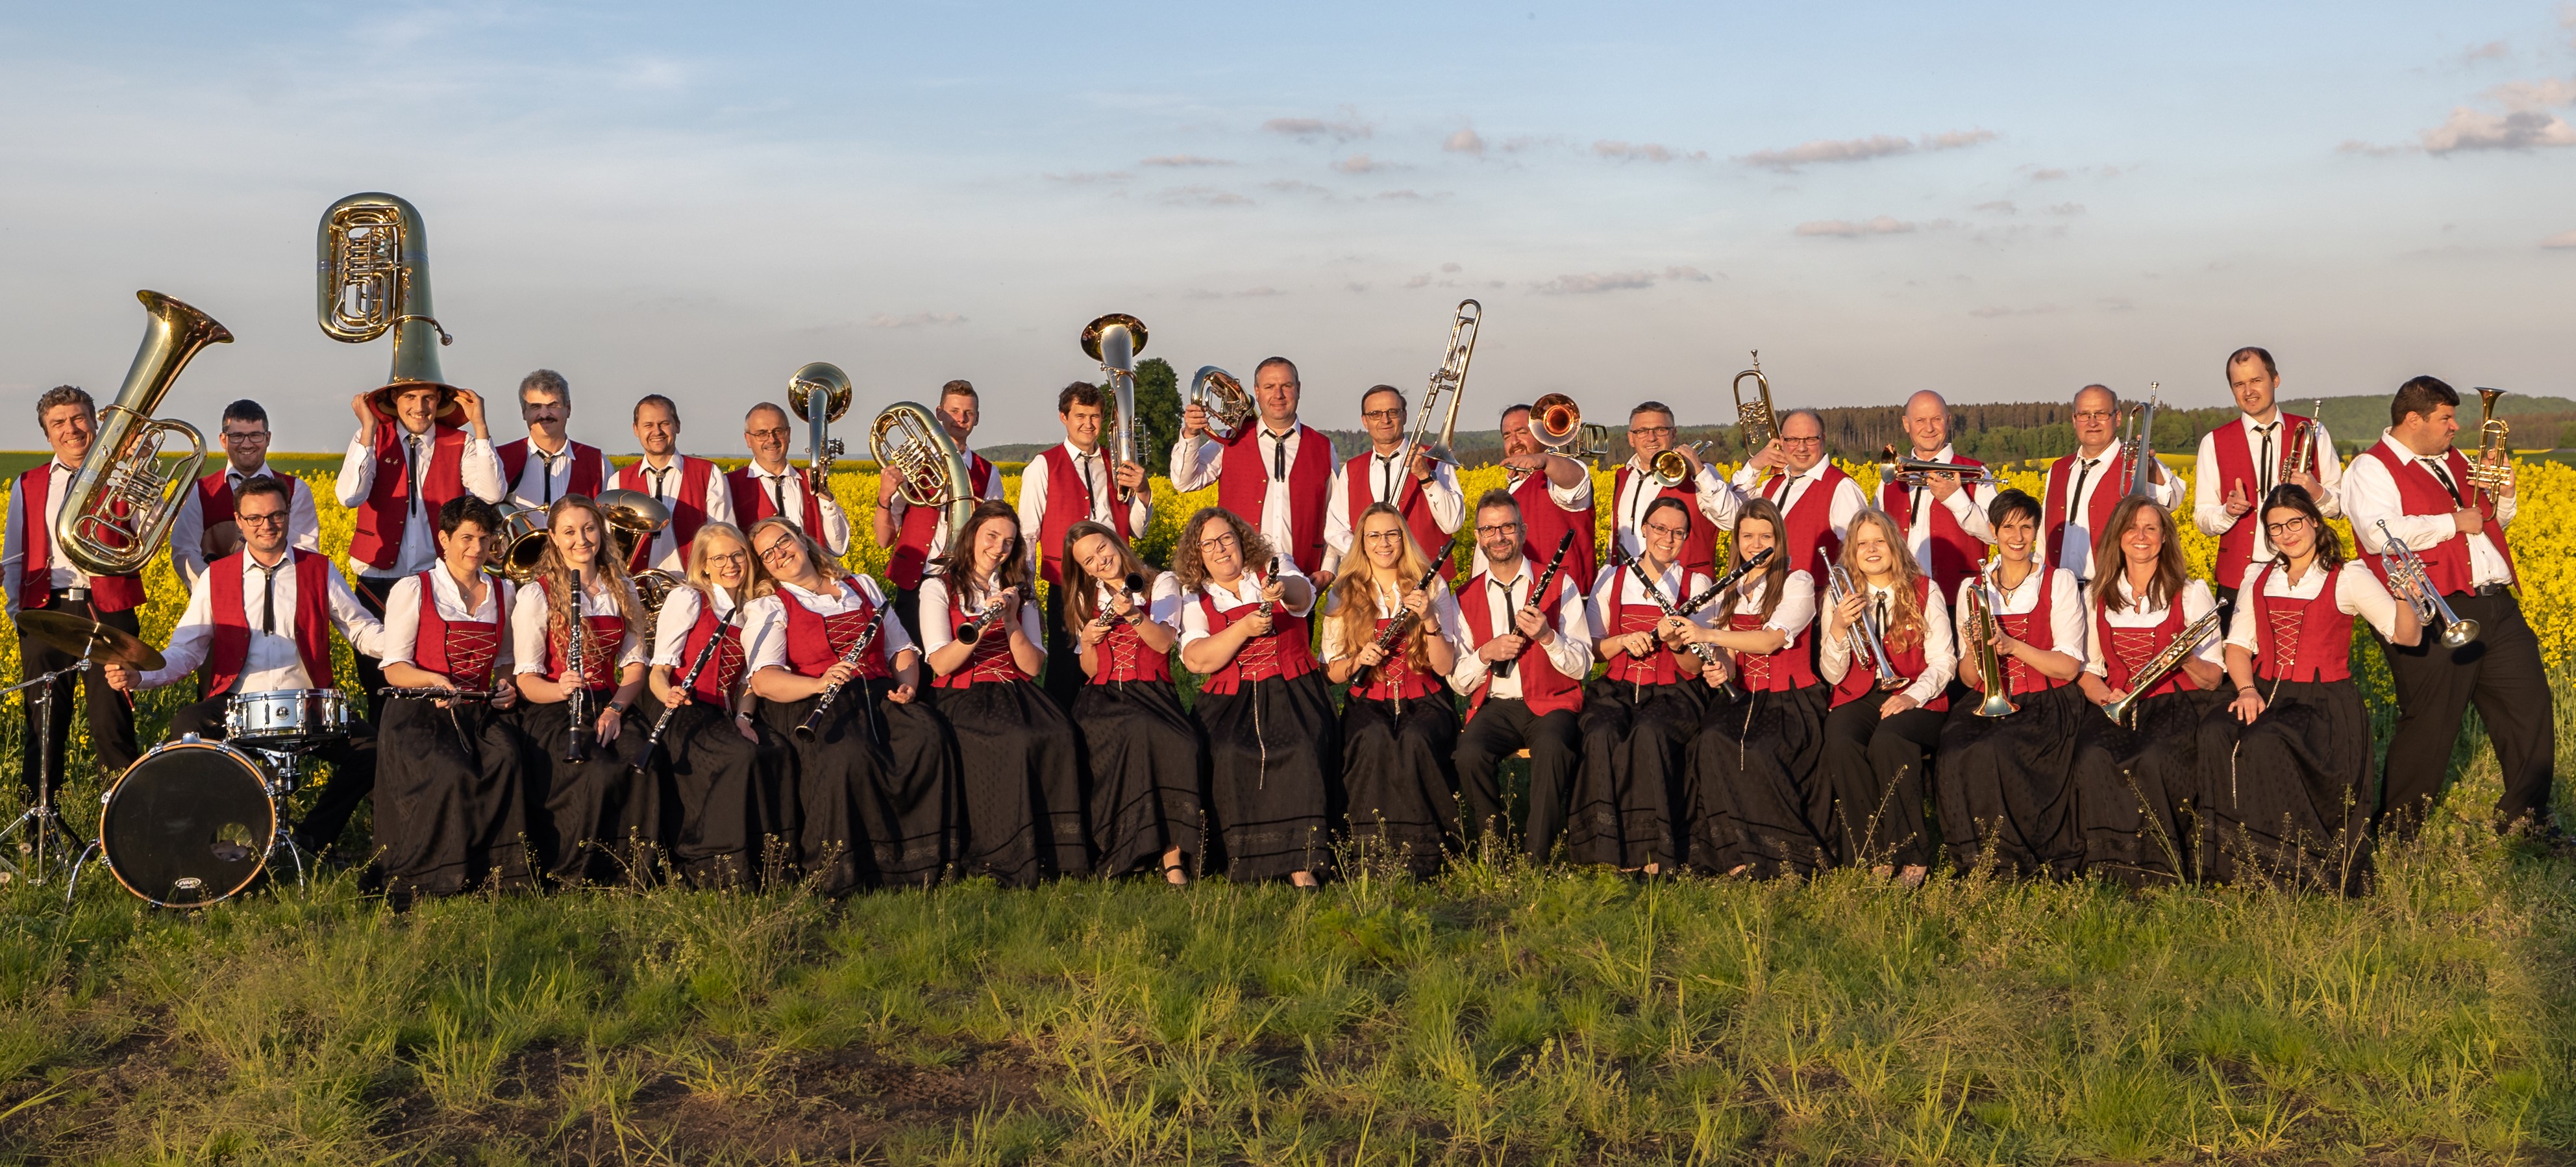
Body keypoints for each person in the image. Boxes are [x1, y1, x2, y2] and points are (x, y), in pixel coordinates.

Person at [100, 476, 387, 859]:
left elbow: (360, 628)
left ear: (287, 516)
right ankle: (205, 842)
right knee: (187, 726)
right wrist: (141, 676)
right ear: (238, 520)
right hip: (238, 704)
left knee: (375, 750)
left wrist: (407, 650)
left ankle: (309, 839)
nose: (266, 525)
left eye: (275, 515)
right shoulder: (215, 578)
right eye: (254, 518)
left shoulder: (319, 570)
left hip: (309, 705)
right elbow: (186, 651)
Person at [2346, 375, 2555, 838]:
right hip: (2435, 608)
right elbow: (2382, 534)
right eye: (2446, 417)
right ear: (2413, 419)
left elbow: (2489, 524)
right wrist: (2451, 521)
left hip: (2495, 602)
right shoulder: (2370, 468)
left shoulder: (2455, 459)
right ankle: (2399, 835)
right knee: (2430, 725)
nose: (2456, 426)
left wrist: (2504, 494)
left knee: (2529, 710)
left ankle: (2527, 820)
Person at [2202, 485, 2420, 892]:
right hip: (2263, 690)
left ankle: (2298, 870)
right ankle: (2235, 863)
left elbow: (2405, 637)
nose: (2287, 534)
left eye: (2294, 522)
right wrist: (2246, 689)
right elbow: (2236, 647)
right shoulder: (2259, 575)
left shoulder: (2348, 577)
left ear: (2315, 522)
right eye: (2275, 528)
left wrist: (2406, 596)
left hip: (2323, 704)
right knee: (2215, 730)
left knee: (2267, 740)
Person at [744, 516, 957, 892]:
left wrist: (908, 686)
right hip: (814, 698)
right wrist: (819, 682)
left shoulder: (861, 585)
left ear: (802, 540)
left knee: (928, 737)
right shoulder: (771, 606)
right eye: (768, 554)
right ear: (763, 566)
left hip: (878, 692)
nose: (780, 555)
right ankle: (845, 871)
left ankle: (918, 861)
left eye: (784, 542)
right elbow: (763, 680)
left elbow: (900, 648)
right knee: (849, 755)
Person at [371, 495, 533, 900]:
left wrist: (506, 686)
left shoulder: (504, 591)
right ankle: (436, 878)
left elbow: (506, 662)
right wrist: (435, 681)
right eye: (466, 537)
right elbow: (395, 668)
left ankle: (495, 878)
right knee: (450, 770)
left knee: (507, 758)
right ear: (443, 539)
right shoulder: (414, 588)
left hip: (479, 711)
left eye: (485, 538)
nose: (476, 548)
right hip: (420, 711)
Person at [919, 501, 1089, 885]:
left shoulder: (1020, 591)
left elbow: (1031, 667)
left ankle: (1054, 852)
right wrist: (982, 624)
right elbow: (942, 663)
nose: (998, 548)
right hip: (963, 691)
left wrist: (1011, 618)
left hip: (1014, 689)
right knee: (1013, 741)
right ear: (972, 536)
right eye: (991, 537)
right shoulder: (938, 587)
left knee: (1059, 734)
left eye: (1008, 542)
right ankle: (1001, 854)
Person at [1175, 507, 1334, 886]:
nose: (1220, 549)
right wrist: (1243, 628)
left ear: (1242, 540)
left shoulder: (1273, 567)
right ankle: (1242, 857)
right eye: (1208, 544)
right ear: (1198, 554)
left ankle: (1302, 863)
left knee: (1300, 747)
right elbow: (1197, 659)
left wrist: (1281, 592)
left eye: (1227, 538)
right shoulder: (1195, 597)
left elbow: (1303, 598)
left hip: (1293, 685)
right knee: (1228, 751)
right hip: (1232, 696)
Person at [1936, 490, 2088, 879]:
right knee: (1954, 749)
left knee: (1996, 748)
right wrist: (1973, 648)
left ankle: (2012, 859)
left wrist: (2013, 645)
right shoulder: (1972, 589)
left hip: (2046, 698)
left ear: (2036, 531)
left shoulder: (2059, 582)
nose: (2018, 537)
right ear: (1993, 531)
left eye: (2027, 527)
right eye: (2008, 527)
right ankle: (1975, 859)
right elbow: (1970, 677)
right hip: (1990, 698)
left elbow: (2068, 667)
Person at [2074, 497, 2225, 886]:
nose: (2141, 537)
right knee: (2093, 755)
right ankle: (2111, 866)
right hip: (2117, 703)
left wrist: (2186, 659)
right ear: (2118, 538)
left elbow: (2212, 678)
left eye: (2151, 528)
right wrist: (2102, 696)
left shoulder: (2190, 593)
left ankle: (2162, 870)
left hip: (2178, 704)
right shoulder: (2098, 594)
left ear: (2164, 539)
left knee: (2153, 757)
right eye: (2131, 528)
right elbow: (2090, 669)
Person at [5, 386, 147, 798]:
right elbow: (15, 558)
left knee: (113, 727)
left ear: (96, 422)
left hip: (108, 611)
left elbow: (154, 526)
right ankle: (38, 834)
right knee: (43, 727)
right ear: (47, 434)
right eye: (59, 423)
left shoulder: (122, 475)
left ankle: (120, 837)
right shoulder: (27, 484)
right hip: (46, 612)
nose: (71, 429)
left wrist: (136, 473)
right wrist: (20, 617)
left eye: (79, 418)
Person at [334, 378, 505, 715]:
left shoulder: (461, 442)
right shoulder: (371, 439)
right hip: (377, 582)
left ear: (440, 401)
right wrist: (368, 428)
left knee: (439, 682)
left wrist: (480, 425)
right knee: (378, 686)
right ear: (393, 400)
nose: (420, 407)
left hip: (436, 586)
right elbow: (348, 495)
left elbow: (491, 493)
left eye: (429, 398)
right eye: (410, 397)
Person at [1679, 499, 1828, 879]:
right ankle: (1735, 855)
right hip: (1744, 696)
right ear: (1737, 541)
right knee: (1709, 742)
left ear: (1779, 539)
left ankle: (1783, 858)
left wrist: (1706, 632)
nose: (1755, 543)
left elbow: (1769, 642)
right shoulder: (1730, 586)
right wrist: (1720, 667)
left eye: (1765, 535)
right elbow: (1730, 655)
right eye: (1748, 536)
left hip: (1789, 698)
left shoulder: (1797, 581)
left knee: (1758, 751)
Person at [511, 496, 652, 886]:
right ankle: (578, 871)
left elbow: (636, 668)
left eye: (589, 529)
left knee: (645, 762)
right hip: (555, 706)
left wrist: (616, 710)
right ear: (554, 538)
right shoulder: (537, 594)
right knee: (597, 771)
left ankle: (633, 871)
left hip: (610, 702)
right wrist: (559, 690)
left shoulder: (622, 587)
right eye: (569, 532)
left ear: (601, 532)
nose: (581, 540)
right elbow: (527, 681)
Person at [1567, 497, 1713, 873]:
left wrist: (1679, 641)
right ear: (1644, 530)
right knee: (1601, 732)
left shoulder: (1696, 584)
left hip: (1672, 690)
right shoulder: (1611, 578)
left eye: (1678, 532)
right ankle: (1605, 846)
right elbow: (1593, 650)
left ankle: (1652, 852)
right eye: (1660, 529)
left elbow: (1696, 666)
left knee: (1649, 733)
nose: (1668, 538)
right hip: (1616, 686)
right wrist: (1622, 641)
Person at [1322, 503, 1466, 877]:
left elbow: (1445, 666)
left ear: (1403, 538)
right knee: (1372, 739)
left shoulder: (1431, 584)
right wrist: (1358, 660)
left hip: (1425, 694)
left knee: (1417, 739)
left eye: (1392, 534)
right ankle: (1368, 856)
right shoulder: (1344, 591)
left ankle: (1427, 857)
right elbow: (1332, 672)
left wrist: (1430, 619)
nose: (1384, 543)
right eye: (1374, 536)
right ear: (1362, 542)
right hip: (1369, 695)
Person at [646, 521, 791, 888]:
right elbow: (659, 670)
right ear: (704, 564)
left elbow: (748, 680)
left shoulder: (758, 606)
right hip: (681, 707)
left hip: (725, 712)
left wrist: (744, 717)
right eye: (720, 558)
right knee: (737, 758)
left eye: (738, 554)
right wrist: (668, 694)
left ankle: (772, 864)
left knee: (778, 752)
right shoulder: (691, 598)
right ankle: (714, 866)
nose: (731, 564)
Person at [1814, 508, 1955, 883]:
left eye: (1879, 541)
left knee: (1890, 739)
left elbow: (1944, 662)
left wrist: (1913, 696)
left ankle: (1912, 851)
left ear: (1894, 545)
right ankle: (1873, 851)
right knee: (1842, 741)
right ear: (1852, 552)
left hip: (1918, 697)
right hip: (1859, 696)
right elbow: (1831, 673)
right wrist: (1840, 628)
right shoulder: (1840, 594)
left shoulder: (1926, 590)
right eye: (1862, 544)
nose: (1871, 550)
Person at [1450, 490, 1592, 860]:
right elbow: (1458, 681)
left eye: (1508, 527)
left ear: (1523, 531)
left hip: (1552, 702)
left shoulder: (1561, 583)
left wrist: (1548, 637)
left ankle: (1537, 854)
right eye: (1489, 529)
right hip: (1496, 705)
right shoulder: (1464, 596)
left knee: (1552, 747)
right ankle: (1495, 845)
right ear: (1479, 537)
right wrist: (1485, 655)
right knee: (1468, 753)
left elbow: (1582, 665)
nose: (1499, 536)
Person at [1061, 521, 1204, 883]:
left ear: (1115, 541)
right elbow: (1090, 670)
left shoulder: (1161, 582)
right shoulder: (1084, 597)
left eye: (1102, 549)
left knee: (1179, 743)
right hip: (1103, 694)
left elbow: (1162, 643)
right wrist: (1091, 640)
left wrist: (1132, 614)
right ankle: (1121, 848)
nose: (1100, 562)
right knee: (1125, 735)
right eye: (1088, 561)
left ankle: (1172, 853)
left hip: (1152, 689)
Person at [1017, 381, 1152, 710]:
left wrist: (1145, 493)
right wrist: (1028, 593)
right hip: (1065, 583)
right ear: (1063, 417)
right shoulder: (1042, 465)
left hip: (1115, 580)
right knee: (1065, 670)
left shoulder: (1119, 462)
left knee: (1112, 661)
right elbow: (1028, 535)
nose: (1088, 425)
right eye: (1080, 416)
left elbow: (1137, 529)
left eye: (1095, 417)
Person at [2192, 347, 2342, 632]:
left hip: (2306, 574)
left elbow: (2340, 506)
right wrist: (2227, 513)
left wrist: (2317, 493)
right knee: (2237, 663)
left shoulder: (2313, 430)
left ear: (2275, 379)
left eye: (2256, 381)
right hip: (2239, 577)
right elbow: (2203, 519)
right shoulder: (2213, 442)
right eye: (2239, 384)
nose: (2248, 391)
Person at [1171, 357, 1338, 580]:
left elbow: (1335, 517)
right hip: (1240, 581)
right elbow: (1185, 482)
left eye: (1286, 386)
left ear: (1298, 390)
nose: (1278, 394)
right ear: (1257, 392)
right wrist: (1191, 435)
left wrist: (1328, 570)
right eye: (1269, 387)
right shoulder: (1229, 440)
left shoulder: (1324, 447)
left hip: (1302, 581)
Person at [879, 380, 1006, 642]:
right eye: (954, 411)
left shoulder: (988, 472)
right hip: (915, 580)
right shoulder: (912, 465)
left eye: (968, 413)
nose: (961, 419)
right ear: (938, 414)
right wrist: (884, 496)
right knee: (915, 662)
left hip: (964, 581)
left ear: (977, 419)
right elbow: (884, 539)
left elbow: (997, 531)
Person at [170, 398, 322, 590]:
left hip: (279, 597)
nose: (247, 444)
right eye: (237, 436)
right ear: (223, 440)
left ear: (268, 438)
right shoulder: (199, 492)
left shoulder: (297, 490)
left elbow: (303, 550)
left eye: (255, 436)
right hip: (215, 599)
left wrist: (272, 594)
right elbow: (185, 552)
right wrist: (213, 593)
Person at [2039, 384, 2180, 590]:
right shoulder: (2058, 469)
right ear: (2074, 420)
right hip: (2059, 592)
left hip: (2113, 591)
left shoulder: (2137, 463)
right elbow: (2045, 536)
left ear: (2119, 418)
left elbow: (2173, 500)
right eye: (2084, 415)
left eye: (2101, 414)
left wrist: (2150, 467)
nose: (2092, 422)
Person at [1324, 384, 1465, 577]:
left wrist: (1426, 476)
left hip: (1429, 582)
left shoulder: (1434, 459)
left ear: (1405, 416)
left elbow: (1453, 523)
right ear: (1365, 421)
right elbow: (1335, 529)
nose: (1385, 420)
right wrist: (1368, 558)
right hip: (1372, 585)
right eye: (1375, 414)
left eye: (1393, 412)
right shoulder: (1352, 469)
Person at [1879, 390, 1995, 596]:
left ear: (1949, 421)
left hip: (1959, 597)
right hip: (1901, 597)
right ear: (1906, 424)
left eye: (1936, 419)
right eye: (1920, 420)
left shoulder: (1977, 472)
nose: (1929, 428)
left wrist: (1957, 499)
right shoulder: (1889, 479)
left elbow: (1996, 535)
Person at [1732, 408, 1867, 580]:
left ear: (1823, 440)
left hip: (1815, 603)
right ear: (1781, 441)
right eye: (1793, 440)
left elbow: (1860, 553)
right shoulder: (1771, 485)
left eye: (1810, 439)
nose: (1802, 448)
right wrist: (1754, 466)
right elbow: (1731, 514)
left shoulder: (1842, 487)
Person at [1609, 400, 1737, 576]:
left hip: (1687, 587)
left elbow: (1731, 520)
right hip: (1630, 586)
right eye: (1642, 431)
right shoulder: (1623, 476)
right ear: (1631, 438)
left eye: (1661, 430)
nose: (1651, 437)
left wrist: (1699, 471)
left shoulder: (1701, 474)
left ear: (1674, 433)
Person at [612, 394, 734, 573]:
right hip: (636, 591)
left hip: (695, 587)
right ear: (636, 429)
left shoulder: (708, 474)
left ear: (677, 425)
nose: (657, 432)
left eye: (664, 424)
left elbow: (725, 538)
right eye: (648, 425)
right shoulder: (618, 482)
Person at [1481, 402, 1596, 582]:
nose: (1515, 442)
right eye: (1507, 436)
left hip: (1564, 597)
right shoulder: (1513, 486)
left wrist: (1544, 460)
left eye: (1522, 432)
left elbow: (1576, 480)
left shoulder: (1554, 480)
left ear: (1542, 435)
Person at [729, 401, 852, 558]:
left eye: (778, 431)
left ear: (789, 434)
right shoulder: (730, 485)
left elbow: (839, 548)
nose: (771, 439)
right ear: (748, 439)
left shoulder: (809, 482)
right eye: (761, 433)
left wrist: (826, 499)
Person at [497, 370, 609, 511]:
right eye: (535, 406)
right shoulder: (500, 460)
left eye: (553, 405)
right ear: (524, 413)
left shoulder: (598, 463)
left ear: (568, 409)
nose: (544, 414)